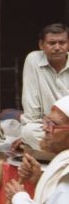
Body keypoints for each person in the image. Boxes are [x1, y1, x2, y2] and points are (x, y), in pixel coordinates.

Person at [19, 23, 69, 151]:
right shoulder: (33, 60)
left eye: (62, 43)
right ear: (41, 45)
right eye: (52, 43)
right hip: (47, 128)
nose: (57, 47)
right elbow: (31, 110)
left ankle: (54, 150)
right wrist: (27, 136)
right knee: (28, 131)